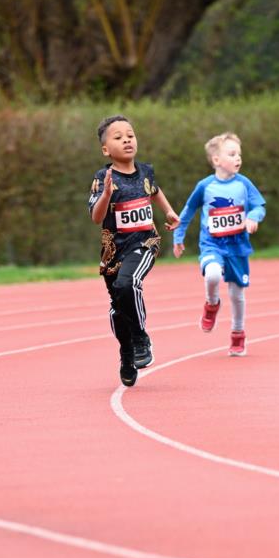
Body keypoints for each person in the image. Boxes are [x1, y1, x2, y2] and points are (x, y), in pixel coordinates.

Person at [89, 115, 179, 387]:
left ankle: (140, 337)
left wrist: (169, 211)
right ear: (106, 149)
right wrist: (106, 195)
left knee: (128, 283)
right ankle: (127, 354)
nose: (127, 140)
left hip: (145, 242)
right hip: (114, 251)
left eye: (130, 135)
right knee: (118, 306)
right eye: (118, 137)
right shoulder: (102, 178)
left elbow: (155, 191)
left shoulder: (145, 171)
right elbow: (95, 217)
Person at [172, 132, 265, 356]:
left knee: (236, 294)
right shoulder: (205, 186)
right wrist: (178, 237)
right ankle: (212, 304)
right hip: (212, 243)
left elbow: (259, 205)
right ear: (216, 160)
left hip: (237, 246)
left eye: (239, 154)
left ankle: (237, 333)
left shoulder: (244, 184)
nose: (238, 158)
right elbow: (188, 211)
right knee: (212, 275)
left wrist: (253, 217)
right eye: (232, 154)